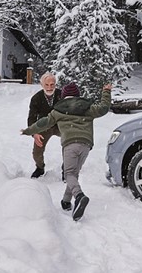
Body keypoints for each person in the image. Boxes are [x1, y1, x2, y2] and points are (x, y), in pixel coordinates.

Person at [22, 81, 112, 221]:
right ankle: (66, 201)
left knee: (69, 173)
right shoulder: (87, 108)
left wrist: (29, 131)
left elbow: (43, 123)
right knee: (73, 174)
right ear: (77, 96)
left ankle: (79, 196)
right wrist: (106, 92)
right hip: (86, 144)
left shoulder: (58, 111)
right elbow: (104, 108)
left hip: (70, 144)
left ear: (63, 96)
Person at [27, 73, 61, 179]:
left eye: (52, 84)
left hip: (60, 125)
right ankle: (40, 168)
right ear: (42, 85)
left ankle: (68, 168)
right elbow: (32, 117)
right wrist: (34, 133)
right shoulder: (36, 98)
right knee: (37, 153)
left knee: (71, 144)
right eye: (47, 85)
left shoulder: (62, 95)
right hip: (44, 126)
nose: (50, 87)